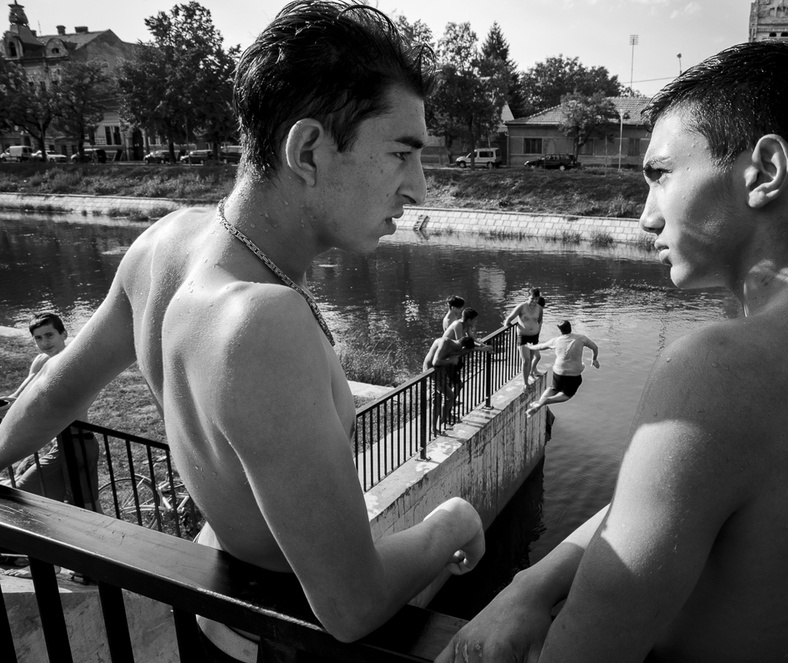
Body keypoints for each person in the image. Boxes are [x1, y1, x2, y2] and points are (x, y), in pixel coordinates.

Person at [0, 1, 485, 656]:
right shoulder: (263, 321)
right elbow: (352, 606)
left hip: (215, 614)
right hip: (273, 644)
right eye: (401, 153)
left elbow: (54, 391)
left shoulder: (163, 244)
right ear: (308, 150)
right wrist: (451, 520)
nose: (419, 189)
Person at [436, 41, 788, 663]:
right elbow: (686, 495)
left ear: (765, 171)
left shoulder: (724, 366)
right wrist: (533, 582)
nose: (645, 217)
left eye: (661, 174)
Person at [1, 312, 101, 512]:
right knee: (54, 502)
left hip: (78, 444)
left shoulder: (72, 364)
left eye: (49, 335)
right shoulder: (40, 360)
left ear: (63, 334)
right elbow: (19, 395)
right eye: (38, 338)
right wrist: (6, 403)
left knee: (88, 508)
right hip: (59, 445)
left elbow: (54, 403)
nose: (44, 342)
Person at [524, 320, 599, 418]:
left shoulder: (556, 340)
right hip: (573, 374)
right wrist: (594, 359)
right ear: (570, 328)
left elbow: (541, 346)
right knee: (567, 395)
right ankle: (545, 401)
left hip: (558, 372)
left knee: (553, 388)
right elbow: (595, 347)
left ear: (560, 331)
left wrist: (530, 347)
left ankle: (538, 404)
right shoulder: (581, 338)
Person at [422, 336, 476, 435]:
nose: (464, 354)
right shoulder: (445, 342)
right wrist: (451, 361)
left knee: (441, 398)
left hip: (440, 370)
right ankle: (439, 423)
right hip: (432, 371)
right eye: (466, 352)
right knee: (447, 397)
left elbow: (470, 347)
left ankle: (440, 423)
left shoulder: (456, 346)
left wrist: (484, 348)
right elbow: (435, 361)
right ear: (463, 348)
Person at [503, 288, 544, 387]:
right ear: (527, 296)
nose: (534, 301)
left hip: (534, 337)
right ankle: (525, 383)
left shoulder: (539, 308)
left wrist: (537, 331)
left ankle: (529, 375)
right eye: (532, 298)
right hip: (523, 337)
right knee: (526, 360)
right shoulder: (521, 307)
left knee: (531, 358)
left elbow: (539, 321)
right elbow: (508, 320)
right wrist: (510, 328)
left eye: (536, 299)